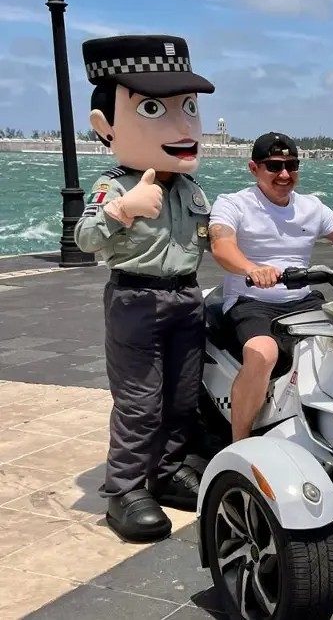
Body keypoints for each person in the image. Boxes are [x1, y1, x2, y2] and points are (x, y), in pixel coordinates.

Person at [73, 34, 215, 543]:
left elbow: (208, 235)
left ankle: (169, 469)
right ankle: (126, 489)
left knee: (181, 396)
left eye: (189, 108)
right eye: (153, 108)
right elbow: (85, 237)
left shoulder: (193, 187)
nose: (183, 125)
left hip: (185, 295)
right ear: (106, 128)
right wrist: (122, 210)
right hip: (135, 298)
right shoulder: (115, 185)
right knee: (139, 401)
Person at [208, 132, 333, 442]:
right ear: (253, 168)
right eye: (273, 166)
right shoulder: (233, 204)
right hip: (252, 300)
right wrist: (251, 268)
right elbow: (222, 245)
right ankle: (240, 442)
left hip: (302, 299)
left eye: (292, 165)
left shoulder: (311, 206)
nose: (284, 174)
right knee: (262, 352)